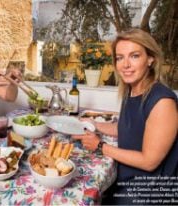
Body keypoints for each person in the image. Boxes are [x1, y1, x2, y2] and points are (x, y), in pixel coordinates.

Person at [72, 29, 178, 205]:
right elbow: (128, 129)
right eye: (120, 57)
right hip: (128, 178)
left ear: (150, 59)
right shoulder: (133, 89)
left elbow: (149, 162)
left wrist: (100, 145)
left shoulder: (162, 102)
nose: (125, 64)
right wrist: (94, 124)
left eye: (134, 56)